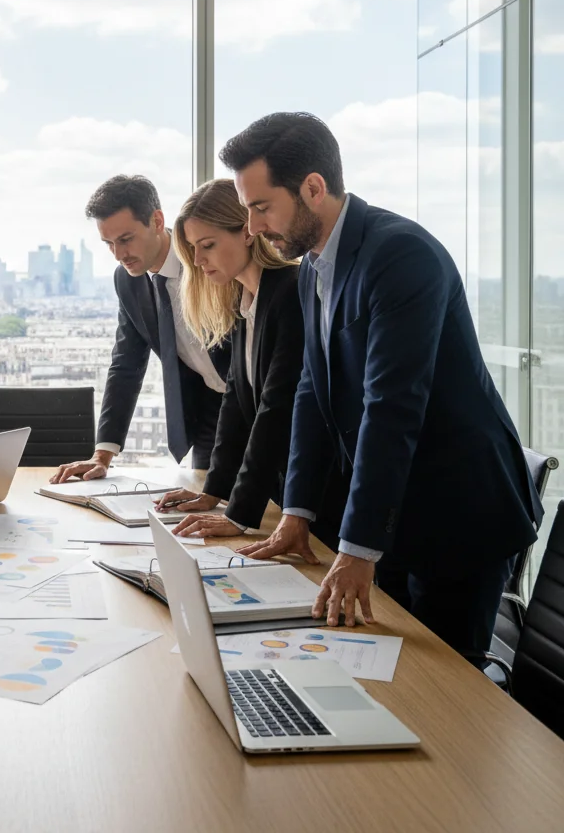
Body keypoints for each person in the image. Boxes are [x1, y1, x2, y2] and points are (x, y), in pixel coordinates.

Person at [220, 111, 542, 661]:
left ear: (313, 189)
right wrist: (297, 513)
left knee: (446, 697)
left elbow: (390, 407)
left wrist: (358, 547)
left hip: (458, 511)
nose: (252, 229)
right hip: (396, 506)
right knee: (374, 664)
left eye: (260, 207)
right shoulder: (314, 266)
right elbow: (310, 394)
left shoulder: (399, 255)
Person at [152, 178, 307, 539]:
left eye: (207, 245)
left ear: (248, 233)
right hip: (280, 487)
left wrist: (238, 515)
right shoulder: (244, 301)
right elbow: (236, 405)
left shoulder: (289, 292)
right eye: (191, 248)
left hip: (317, 490)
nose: (197, 260)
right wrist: (213, 492)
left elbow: (277, 409)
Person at [50, 175, 230, 484]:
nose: (119, 255)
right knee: (207, 504)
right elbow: (126, 364)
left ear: (157, 221)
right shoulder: (128, 280)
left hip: (258, 401)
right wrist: (103, 454)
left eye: (126, 239)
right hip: (208, 411)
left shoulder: (206, 261)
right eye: (109, 244)